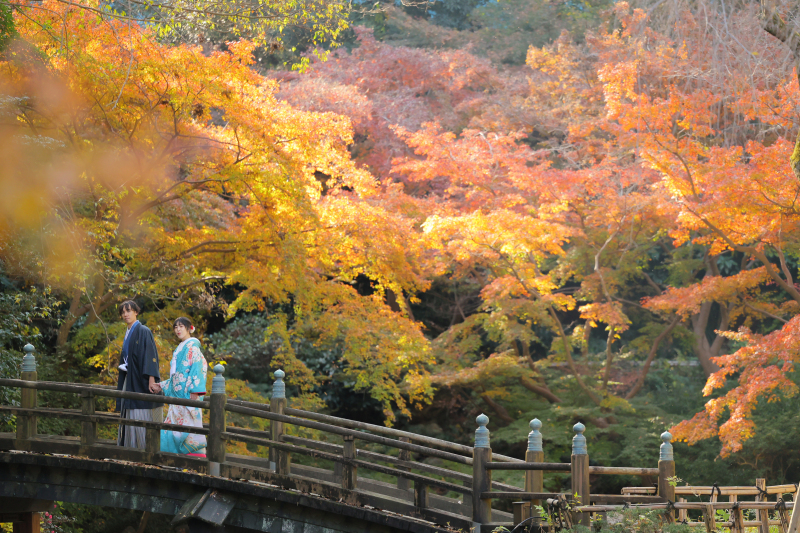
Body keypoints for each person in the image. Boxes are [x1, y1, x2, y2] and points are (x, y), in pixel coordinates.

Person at [151, 317, 208, 456]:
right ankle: (170, 458)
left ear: (189, 328)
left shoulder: (193, 347)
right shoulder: (179, 349)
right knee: (172, 428)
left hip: (188, 395)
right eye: (175, 327)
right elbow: (176, 376)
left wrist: (195, 391)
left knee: (188, 429)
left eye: (181, 326)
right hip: (177, 397)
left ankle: (193, 459)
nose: (178, 329)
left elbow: (198, 369)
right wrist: (162, 386)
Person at [116, 300, 162, 448]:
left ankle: (141, 448)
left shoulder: (143, 330)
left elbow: (151, 356)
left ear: (136, 312)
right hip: (129, 378)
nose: (125, 314)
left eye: (128, 311)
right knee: (128, 410)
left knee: (139, 411)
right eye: (123, 312)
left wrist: (151, 379)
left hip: (140, 379)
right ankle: (129, 447)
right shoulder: (128, 332)